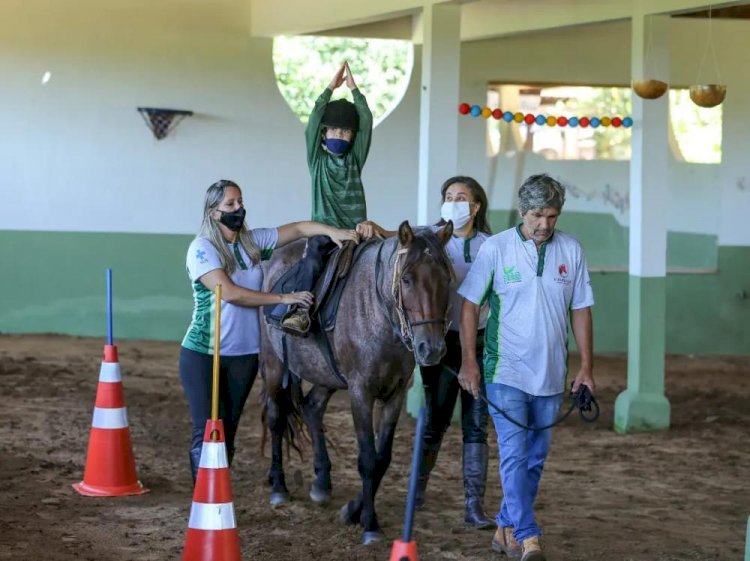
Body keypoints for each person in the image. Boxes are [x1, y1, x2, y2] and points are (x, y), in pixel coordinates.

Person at [179, 179, 359, 483]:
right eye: (230, 205)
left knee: (229, 430)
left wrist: (332, 231)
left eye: (240, 201)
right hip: (204, 353)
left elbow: (300, 229)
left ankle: (218, 494)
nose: (239, 208)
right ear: (213, 213)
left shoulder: (250, 243)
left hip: (246, 355)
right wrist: (284, 298)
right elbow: (231, 293)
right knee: (208, 429)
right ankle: (204, 499)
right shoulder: (202, 248)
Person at [457, 174, 595, 561]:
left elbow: (581, 309)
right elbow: (469, 305)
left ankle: (505, 526)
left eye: (551, 216)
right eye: (537, 215)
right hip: (506, 372)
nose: (544, 225)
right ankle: (528, 534)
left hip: (551, 375)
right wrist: (470, 361)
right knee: (515, 455)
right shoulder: (497, 249)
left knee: (535, 458)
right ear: (522, 212)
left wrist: (585, 368)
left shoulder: (571, 249)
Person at [357, 176, 495, 529]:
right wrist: (376, 228)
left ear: (476, 206)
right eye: (449, 196)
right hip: (442, 341)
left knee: (476, 424)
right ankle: (416, 492)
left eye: (461, 197)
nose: (453, 202)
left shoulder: (490, 245)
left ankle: (473, 505)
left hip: (480, 342)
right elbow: (398, 238)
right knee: (434, 421)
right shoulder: (432, 237)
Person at [282, 62, 372, 335]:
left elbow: (366, 120)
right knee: (311, 261)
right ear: (324, 133)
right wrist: (330, 88)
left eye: (346, 133)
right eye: (335, 131)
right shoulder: (317, 161)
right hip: (325, 232)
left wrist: (356, 91)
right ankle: (299, 311)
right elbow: (313, 120)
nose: (341, 136)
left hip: (357, 232)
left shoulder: (355, 159)